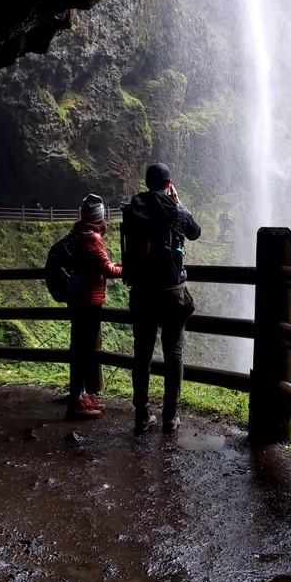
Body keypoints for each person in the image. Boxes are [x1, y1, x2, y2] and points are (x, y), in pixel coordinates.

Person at [125, 162, 202, 433]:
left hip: (142, 291)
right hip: (172, 293)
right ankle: (170, 417)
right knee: (174, 353)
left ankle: (142, 416)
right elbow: (195, 232)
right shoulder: (178, 210)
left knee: (142, 355)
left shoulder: (132, 209)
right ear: (169, 184)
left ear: (147, 183)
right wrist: (178, 204)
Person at [64, 194, 122, 420]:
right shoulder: (92, 239)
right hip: (89, 300)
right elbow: (107, 269)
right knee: (83, 352)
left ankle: (82, 395)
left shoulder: (77, 233)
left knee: (80, 350)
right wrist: (129, 269)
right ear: (99, 217)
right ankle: (77, 402)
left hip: (78, 299)